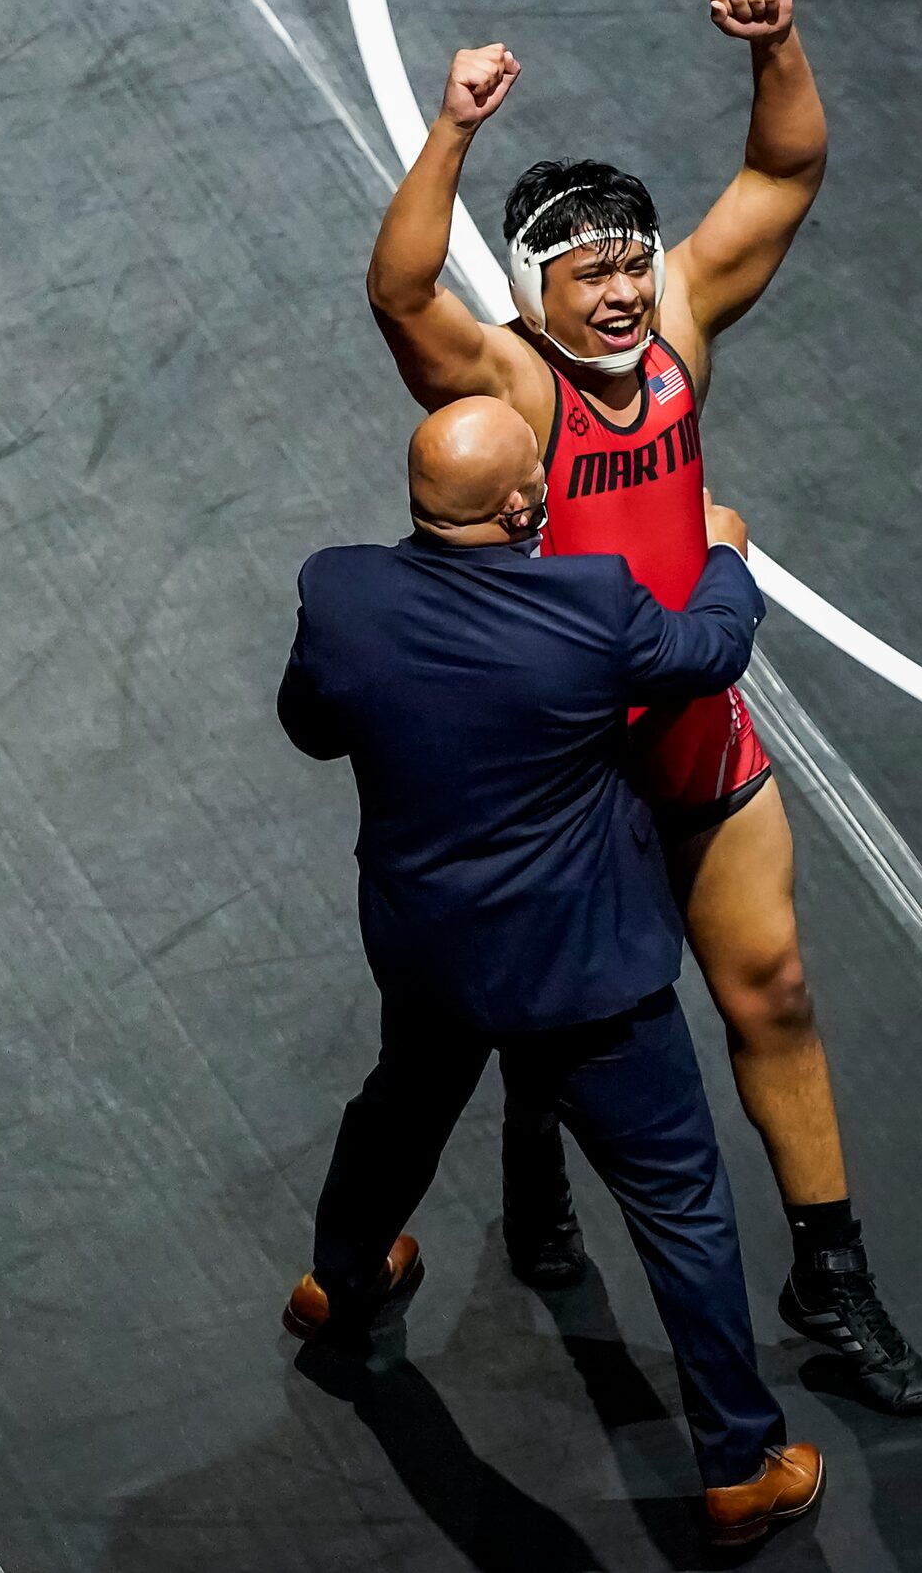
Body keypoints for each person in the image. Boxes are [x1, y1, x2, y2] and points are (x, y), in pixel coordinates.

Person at [361, 0, 922, 1416]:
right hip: (567, 759)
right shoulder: (506, 379)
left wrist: (780, 43)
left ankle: (831, 1272)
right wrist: (448, 132)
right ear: (532, 292)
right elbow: (396, 289)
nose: (619, 293)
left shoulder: (676, 323)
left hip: (687, 721)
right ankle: (527, 1156)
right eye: (588, 276)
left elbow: (786, 164)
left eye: (631, 265)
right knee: (568, 1016)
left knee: (774, 987)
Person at [278, 397, 821, 1548]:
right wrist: (723, 555)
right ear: (527, 504)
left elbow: (313, 726)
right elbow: (710, 650)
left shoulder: (342, 593)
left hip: (432, 951)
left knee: (402, 1107)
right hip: (584, 976)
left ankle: (341, 1278)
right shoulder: (589, 610)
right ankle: (739, 1462)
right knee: (679, 1204)